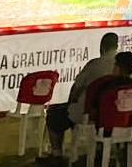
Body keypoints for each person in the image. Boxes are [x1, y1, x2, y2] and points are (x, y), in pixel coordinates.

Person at [38, 52, 132, 166]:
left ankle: (57, 154)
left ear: (117, 68)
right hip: (129, 127)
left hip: (102, 126)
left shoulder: (103, 84)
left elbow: (88, 104)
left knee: (55, 114)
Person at [42, 33, 118, 161]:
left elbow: (76, 88)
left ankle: (57, 154)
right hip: (114, 114)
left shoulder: (94, 65)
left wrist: (71, 102)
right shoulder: (122, 67)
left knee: (54, 114)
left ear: (102, 48)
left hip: (88, 114)